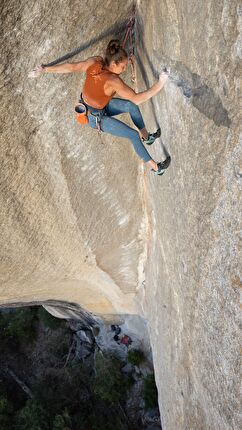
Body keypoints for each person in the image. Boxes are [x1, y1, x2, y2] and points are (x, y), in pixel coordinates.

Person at [29, 39, 169, 174]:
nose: (125, 69)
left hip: (101, 106)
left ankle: (147, 137)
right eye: (123, 66)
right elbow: (137, 98)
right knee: (133, 135)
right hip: (94, 117)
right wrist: (160, 84)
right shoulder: (113, 80)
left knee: (130, 106)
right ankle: (157, 168)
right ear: (114, 64)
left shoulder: (95, 61)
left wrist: (44, 69)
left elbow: (72, 67)